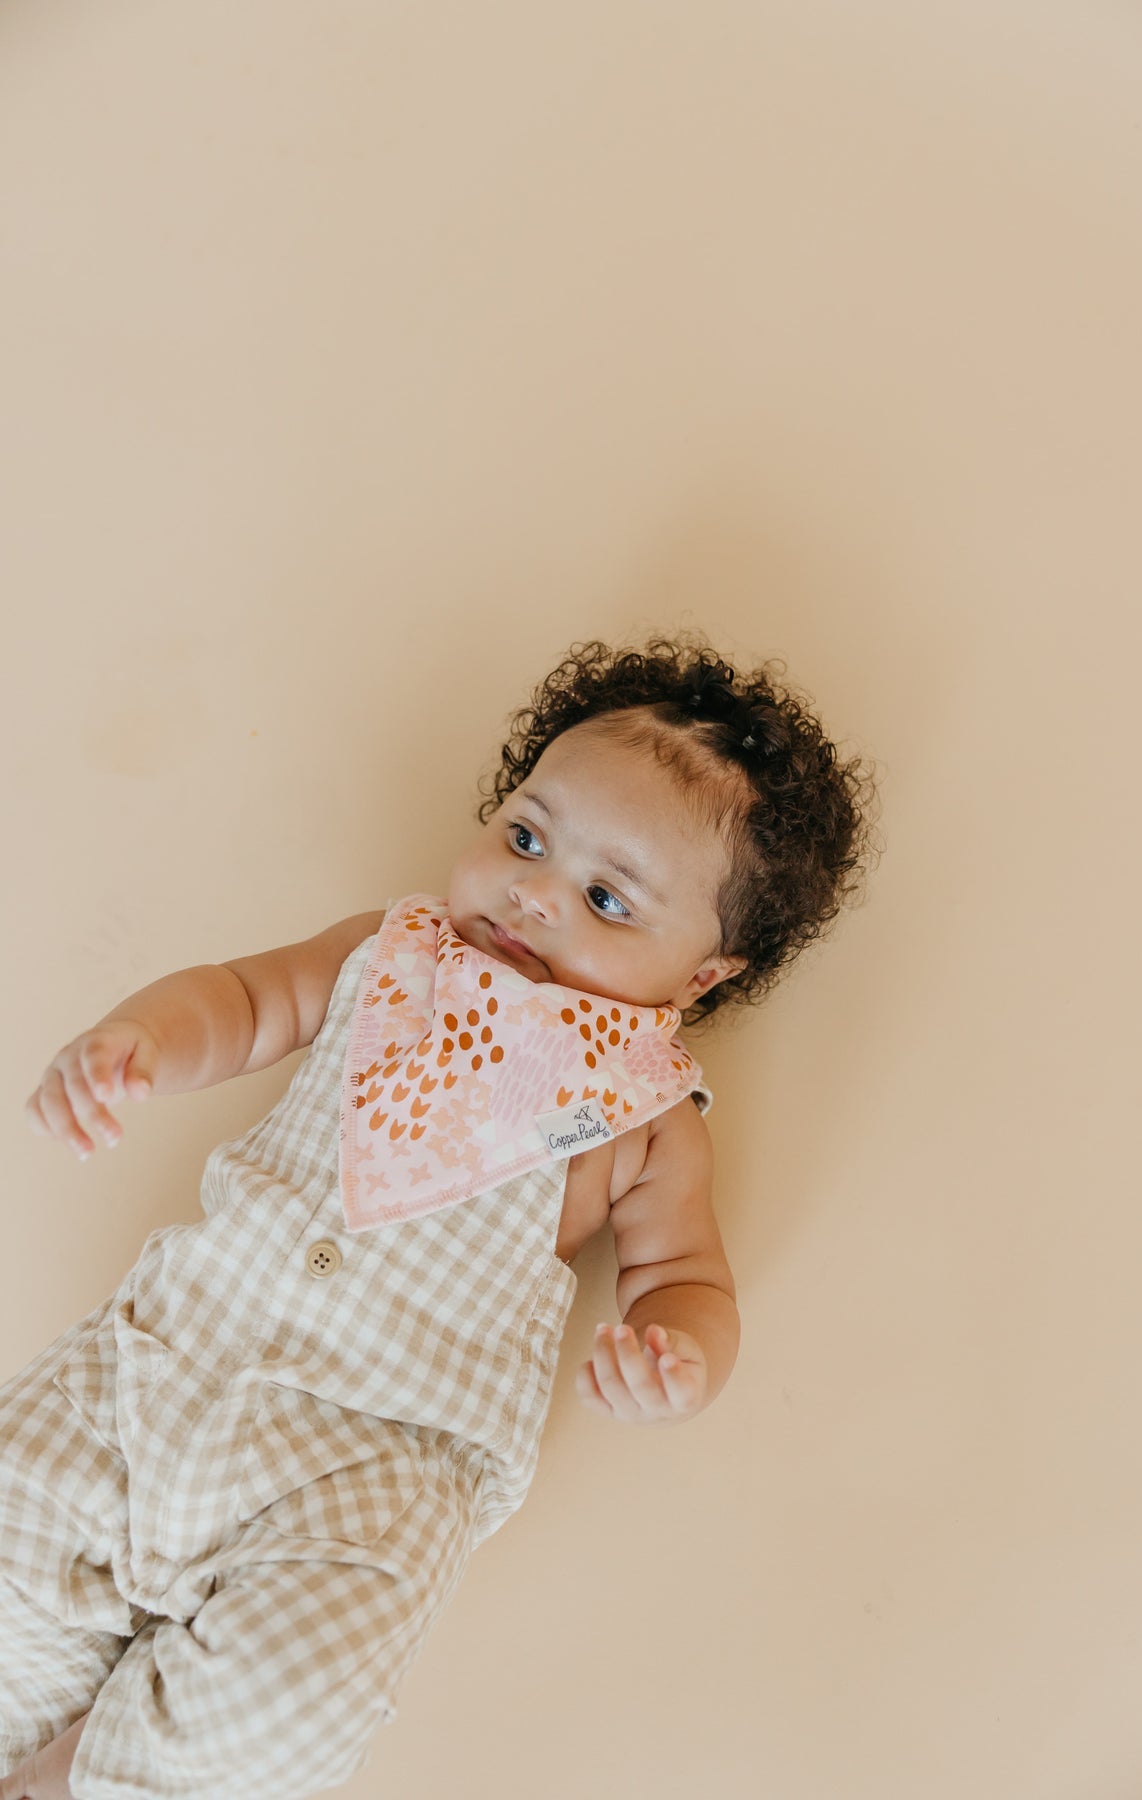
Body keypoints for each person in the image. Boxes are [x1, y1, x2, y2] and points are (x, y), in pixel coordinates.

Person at [0, 632, 876, 1799]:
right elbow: (247, 999)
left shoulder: (645, 1118)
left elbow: (684, 1277)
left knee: (294, 1693)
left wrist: (678, 1357)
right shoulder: (389, 955)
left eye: (605, 898)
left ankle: (82, 1782)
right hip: (155, 1367)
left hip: (368, 1465)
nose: (532, 892)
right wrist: (142, 1043)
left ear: (699, 977)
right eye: (524, 837)